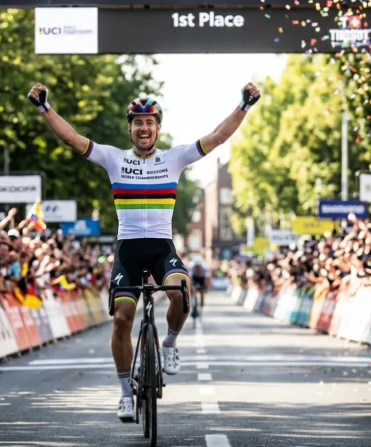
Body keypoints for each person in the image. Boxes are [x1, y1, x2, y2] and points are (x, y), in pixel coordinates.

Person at [28, 81, 261, 421]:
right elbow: (73, 139)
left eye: (149, 121)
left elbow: (216, 137)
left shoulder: (174, 158)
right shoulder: (114, 158)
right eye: (138, 122)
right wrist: (44, 108)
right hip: (128, 251)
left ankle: (169, 344)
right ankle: (124, 394)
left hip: (162, 248)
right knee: (122, 319)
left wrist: (244, 105)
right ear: (130, 128)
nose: (143, 127)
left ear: (158, 128)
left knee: (182, 292)